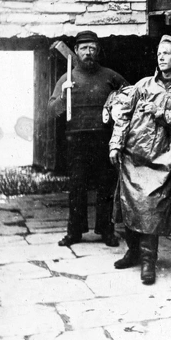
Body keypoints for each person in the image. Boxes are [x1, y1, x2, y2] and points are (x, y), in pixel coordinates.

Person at [109, 35, 171, 285]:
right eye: (159, 53)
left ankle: (149, 260)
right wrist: (116, 144)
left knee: (150, 206)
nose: (160, 56)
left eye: (166, 53)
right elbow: (123, 116)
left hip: (163, 158)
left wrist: (162, 113)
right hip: (133, 155)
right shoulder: (143, 85)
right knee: (129, 203)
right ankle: (133, 251)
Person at [48, 30, 128, 247]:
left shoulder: (110, 76)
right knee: (77, 186)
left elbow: (131, 96)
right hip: (76, 139)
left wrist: (118, 106)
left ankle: (106, 230)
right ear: (76, 51)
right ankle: (74, 232)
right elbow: (52, 110)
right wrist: (64, 95)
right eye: (84, 48)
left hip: (104, 138)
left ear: (98, 50)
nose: (88, 52)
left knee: (105, 185)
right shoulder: (67, 78)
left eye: (92, 48)